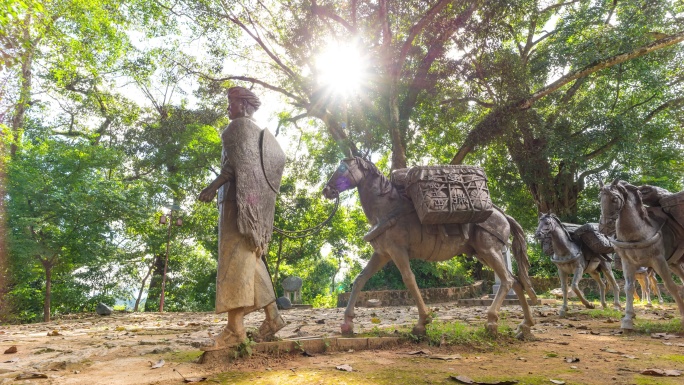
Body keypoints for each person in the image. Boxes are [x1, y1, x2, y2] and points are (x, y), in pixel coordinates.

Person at [198, 86, 286, 350]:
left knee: (234, 261)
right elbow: (271, 164)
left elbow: (233, 168)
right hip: (252, 207)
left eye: (232, 102)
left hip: (236, 205)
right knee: (250, 259)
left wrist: (211, 187)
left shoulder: (236, 128)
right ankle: (274, 317)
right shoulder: (261, 134)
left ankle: (235, 330)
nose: (229, 108)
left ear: (246, 105)